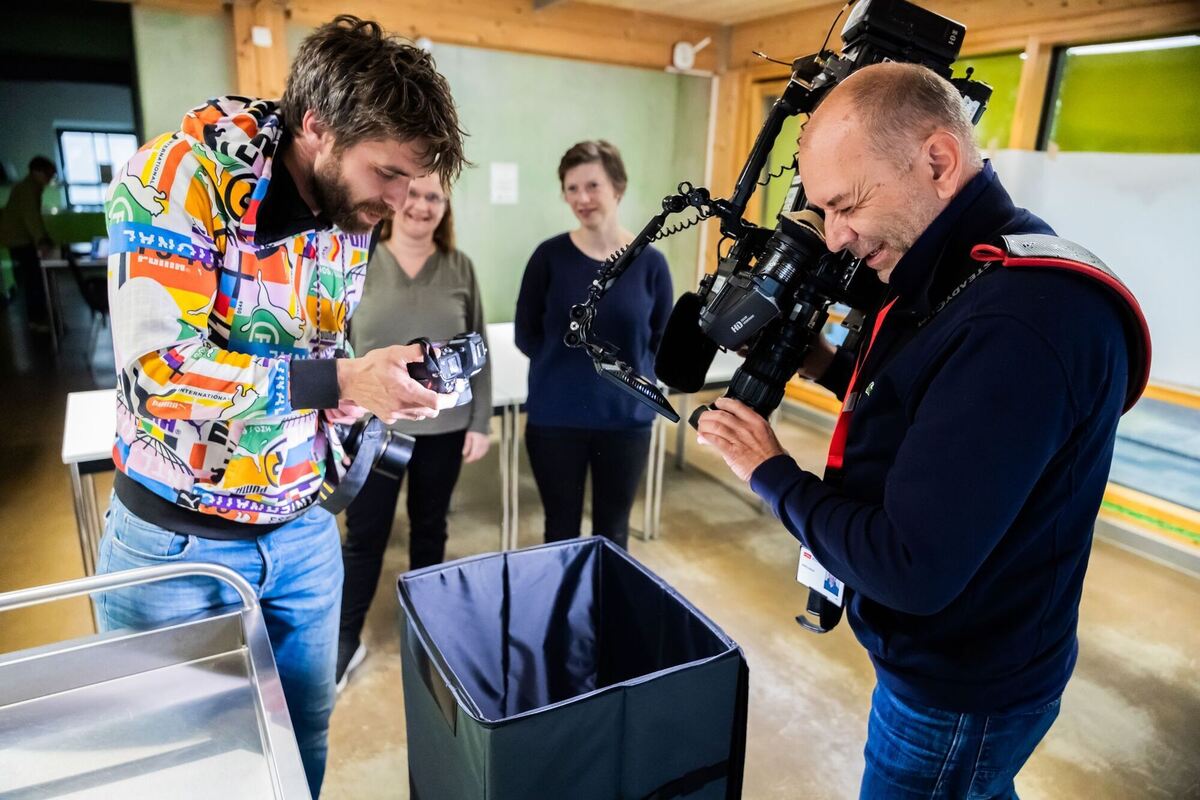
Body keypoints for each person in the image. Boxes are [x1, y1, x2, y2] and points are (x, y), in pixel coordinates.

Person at [695, 63, 1146, 797]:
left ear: (938, 161)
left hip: (962, 689)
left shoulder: (1018, 321)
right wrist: (823, 362)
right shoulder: (961, 272)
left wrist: (770, 472)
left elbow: (909, 566)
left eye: (846, 206)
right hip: (965, 665)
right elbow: (935, 405)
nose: (836, 239)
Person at [97, 16, 466, 796]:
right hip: (176, 545)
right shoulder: (174, 178)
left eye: (414, 181)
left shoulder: (346, 216)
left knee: (301, 740)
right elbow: (162, 373)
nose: (401, 202)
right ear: (317, 127)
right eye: (388, 173)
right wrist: (335, 383)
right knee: (173, 767)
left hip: (301, 535)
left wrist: (357, 394)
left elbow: (308, 361)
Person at [336, 173, 492, 689]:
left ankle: (427, 632)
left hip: (443, 428)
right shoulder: (358, 260)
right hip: (372, 429)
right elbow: (337, 347)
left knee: (431, 529)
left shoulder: (459, 267)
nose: (422, 206)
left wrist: (480, 420)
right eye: (416, 194)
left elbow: (478, 351)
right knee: (365, 536)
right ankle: (345, 639)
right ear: (395, 198)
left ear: (445, 209)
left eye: (435, 198)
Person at [514, 140, 673, 549]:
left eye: (592, 186)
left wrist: (633, 381)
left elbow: (661, 339)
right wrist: (563, 370)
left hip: (625, 422)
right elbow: (525, 332)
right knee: (559, 531)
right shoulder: (548, 257)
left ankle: (604, 610)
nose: (582, 198)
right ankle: (562, 611)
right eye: (571, 188)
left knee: (612, 533)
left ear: (617, 187)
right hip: (555, 421)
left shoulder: (650, 263)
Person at [1, 156, 57, 329]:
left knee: (32, 279)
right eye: (47, 174)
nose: (49, 179)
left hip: (20, 240)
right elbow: (31, 218)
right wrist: (41, 240)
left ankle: (39, 317)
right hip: (20, 242)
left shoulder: (31, 187)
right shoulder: (26, 189)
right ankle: (36, 319)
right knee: (32, 281)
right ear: (37, 172)